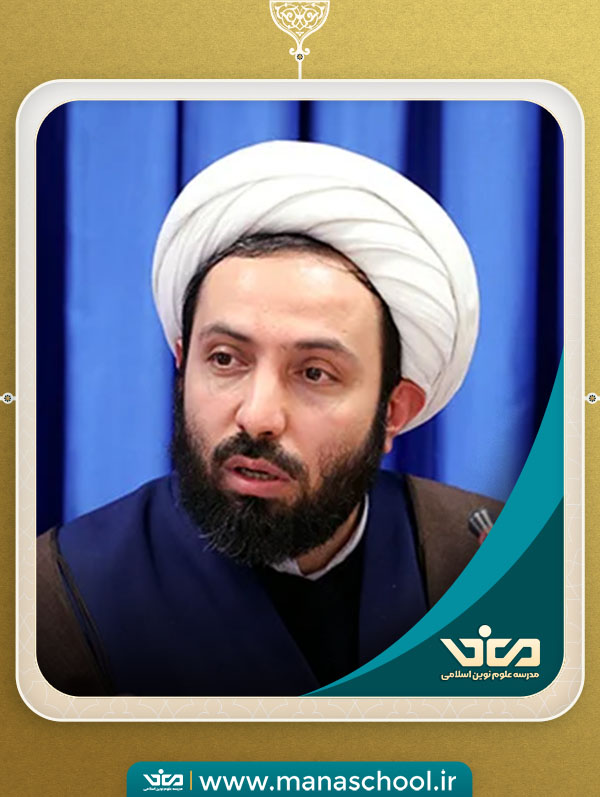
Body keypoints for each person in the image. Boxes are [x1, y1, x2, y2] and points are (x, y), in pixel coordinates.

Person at [37, 141, 503, 697]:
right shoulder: (52, 600)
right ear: (182, 369)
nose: (257, 417)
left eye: (315, 373)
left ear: (393, 411)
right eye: (225, 360)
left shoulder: (496, 563)